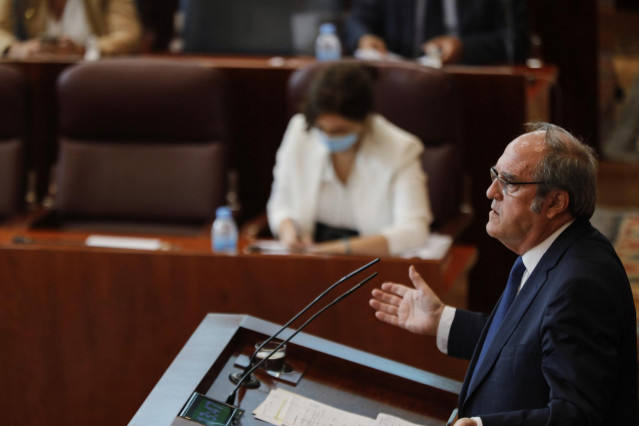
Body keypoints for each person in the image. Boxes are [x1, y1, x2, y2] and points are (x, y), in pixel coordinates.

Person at [370, 123, 639, 424]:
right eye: (495, 175)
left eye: (509, 183)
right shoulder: (549, 251)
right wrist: (441, 320)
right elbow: (527, 344)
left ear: (554, 202)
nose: (490, 191)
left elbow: (577, 416)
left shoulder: (580, 286)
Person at [267, 62, 433, 257]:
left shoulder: (400, 149)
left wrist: (332, 251)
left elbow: (414, 230)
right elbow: (279, 204)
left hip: (370, 263)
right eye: (321, 129)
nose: (328, 137)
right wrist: (288, 233)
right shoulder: (300, 132)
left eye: (339, 131)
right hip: (308, 258)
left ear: (363, 120)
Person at [345, 0, 528, 65]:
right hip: (399, 79)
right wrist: (364, 37)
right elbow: (357, 20)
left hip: (471, 80)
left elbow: (515, 39)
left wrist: (465, 48)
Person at [0, 0, 141, 58]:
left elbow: (129, 35)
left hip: (94, 80)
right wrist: (14, 48)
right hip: (37, 82)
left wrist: (83, 50)